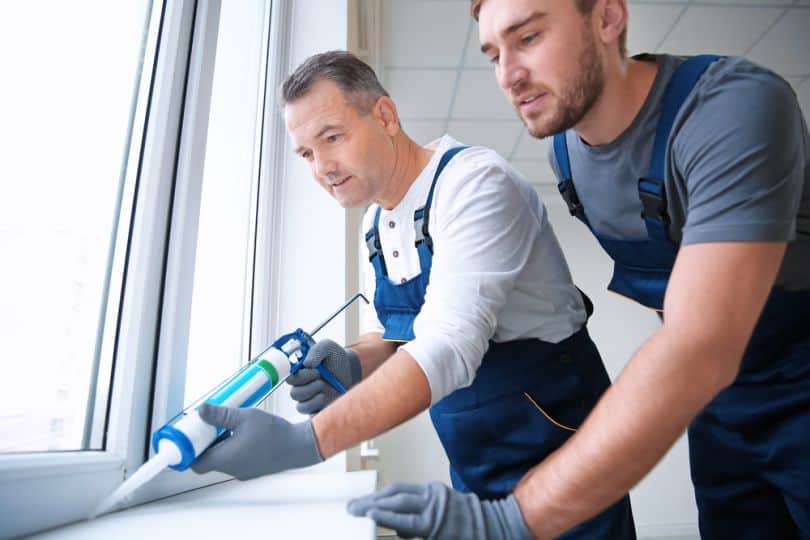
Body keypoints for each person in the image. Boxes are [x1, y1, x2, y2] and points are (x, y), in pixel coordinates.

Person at [348, 0, 810, 538]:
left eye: (529, 37)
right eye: (494, 54)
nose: (508, 75)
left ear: (608, 18)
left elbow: (700, 343)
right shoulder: (566, 156)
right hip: (720, 410)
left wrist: (517, 515)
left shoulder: (731, 107)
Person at [191, 50, 636, 539]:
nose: (322, 167)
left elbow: (448, 344)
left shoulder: (472, 184)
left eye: (332, 137)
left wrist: (307, 442)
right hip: (474, 460)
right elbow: (398, 333)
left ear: (384, 115)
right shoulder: (375, 225)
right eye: (306, 154)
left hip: (560, 445)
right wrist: (352, 361)